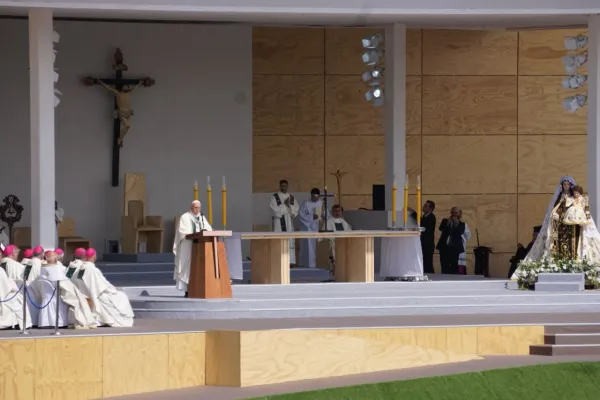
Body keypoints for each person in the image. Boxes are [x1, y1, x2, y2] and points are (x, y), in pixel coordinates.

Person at [514, 176, 600, 278]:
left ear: (571, 186)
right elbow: (555, 209)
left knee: (573, 246)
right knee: (559, 247)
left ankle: (573, 265)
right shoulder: (560, 197)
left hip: (573, 227)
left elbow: (582, 209)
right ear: (562, 186)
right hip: (560, 227)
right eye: (564, 184)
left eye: (568, 184)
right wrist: (555, 215)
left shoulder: (575, 198)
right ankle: (559, 265)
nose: (566, 186)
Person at [32, 250, 97, 329]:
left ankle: (45, 322)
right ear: (56, 259)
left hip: (45, 298)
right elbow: (67, 285)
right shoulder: (59, 270)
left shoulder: (41, 270)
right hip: (58, 298)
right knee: (77, 299)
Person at [75, 248, 134, 327]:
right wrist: (113, 289)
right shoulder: (93, 269)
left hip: (85, 293)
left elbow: (75, 280)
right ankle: (122, 319)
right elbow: (102, 285)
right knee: (122, 296)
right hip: (97, 294)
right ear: (94, 257)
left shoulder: (78, 268)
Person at [173, 200, 212, 297]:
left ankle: (198, 288)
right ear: (191, 208)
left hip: (199, 245)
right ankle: (187, 290)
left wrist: (204, 232)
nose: (197, 210)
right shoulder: (185, 217)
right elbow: (181, 231)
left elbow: (209, 229)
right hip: (187, 245)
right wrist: (193, 234)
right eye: (195, 208)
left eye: (198, 208)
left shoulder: (202, 217)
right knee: (187, 267)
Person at [270, 180, 300, 267]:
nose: (284, 187)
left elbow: (295, 211)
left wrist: (288, 206)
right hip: (279, 222)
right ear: (279, 186)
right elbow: (274, 210)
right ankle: (278, 261)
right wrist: (285, 205)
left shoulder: (291, 197)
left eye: (285, 186)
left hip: (288, 221)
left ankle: (290, 261)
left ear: (287, 186)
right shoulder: (275, 197)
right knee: (279, 239)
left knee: (289, 240)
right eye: (282, 186)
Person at [323, 204, 352, 278]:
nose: (337, 213)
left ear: (341, 212)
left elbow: (349, 232)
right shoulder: (329, 222)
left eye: (339, 211)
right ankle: (334, 272)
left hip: (343, 243)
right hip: (334, 243)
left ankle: (344, 272)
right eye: (335, 211)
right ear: (332, 212)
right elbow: (325, 235)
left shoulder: (343, 222)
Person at [0, 265, 31, 330]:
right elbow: (6, 287)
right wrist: (12, 283)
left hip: (3, 294)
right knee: (19, 300)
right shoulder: (1, 270)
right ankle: (23, 324)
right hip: (4, 295)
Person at [436, 207, 466, 274]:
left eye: (456, 213)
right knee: (444, 265)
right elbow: (441, 228)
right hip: (444, 247)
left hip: (454, 248)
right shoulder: (445, 221)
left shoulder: (462, 224)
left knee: (453, 266)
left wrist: (456, 223)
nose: (454, 214)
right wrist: (448, 223)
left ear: (459, 214)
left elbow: (460, 232)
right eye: (452, 212)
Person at [299, 188, 322, 269]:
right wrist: (311, 217)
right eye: (313, 196)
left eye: (316, 197)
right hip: (308, 228)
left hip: (318, 227)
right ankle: (307, 265)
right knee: (308, 247)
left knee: (317, 247)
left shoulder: (321, 203)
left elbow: (327, 215)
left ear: (318, 196)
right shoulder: (306, 203)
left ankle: (318, 264)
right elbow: (301, 215)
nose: (314, 198)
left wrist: (322, 216)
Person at [415, 200, 436, 274]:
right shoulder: (425, 216)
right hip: (424, 243)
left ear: (430, 209)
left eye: (425, 206)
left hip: (428, 244)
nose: (423, 207)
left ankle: (430, 275)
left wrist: (414, 213)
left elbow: (423, 226)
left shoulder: (431, 217)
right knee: (424, 261)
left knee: (428, 262)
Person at [457, 209, 471, 275]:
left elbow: (468, 236)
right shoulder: (448, 223)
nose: (454, 215)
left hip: (460, 248)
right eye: (453, 213)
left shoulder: (463, 225)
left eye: (456, 213)